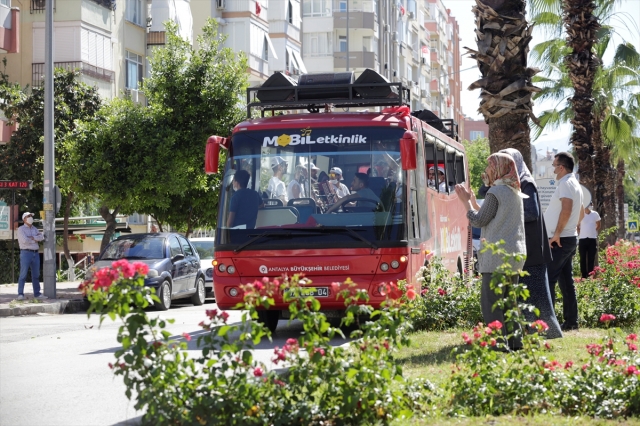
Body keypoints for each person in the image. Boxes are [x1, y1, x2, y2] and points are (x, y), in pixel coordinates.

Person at [455, 153, 527, 349]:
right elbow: (493, 216)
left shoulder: (495, 192)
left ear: (499, 168)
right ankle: (515, 342)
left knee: (492, 303)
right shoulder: (514, 191)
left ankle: (497, 344)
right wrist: (474, 202)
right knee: (509, 301)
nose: (486, 171)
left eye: (489, 167)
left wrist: (465, 202)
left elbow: (478, 221)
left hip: (497, 255)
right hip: (515, 253)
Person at [500, 148, 562, 339]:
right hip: (523, 248)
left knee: (537, 295)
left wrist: (508, 215)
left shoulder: (526, 183)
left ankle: (549, 332)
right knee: (527, 296)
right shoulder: (515, 184)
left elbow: (532, 212)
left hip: (533, 249)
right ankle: (533, 332)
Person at [543, 151, 584, 331]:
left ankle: (549, 324)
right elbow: (581, 211)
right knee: (566, 281)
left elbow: (566, 210)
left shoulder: (566, 184)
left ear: (561, 167)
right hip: (567, 237)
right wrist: (573, 229)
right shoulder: (573, 183)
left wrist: (558, 233)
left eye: (554, 166)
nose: (553, 170)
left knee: (549, 278)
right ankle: (571, 322)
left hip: (560, 239)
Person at [17, 212, 47, 300]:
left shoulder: (34, 228)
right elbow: (25, 240)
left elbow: (41, 237)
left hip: (35, 253)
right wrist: (35, 239)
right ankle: (20, 294)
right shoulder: (21, 229)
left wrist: (32, 237)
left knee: (36, 275)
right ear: (24, 219)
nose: (30, 218)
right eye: (28, 216)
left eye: (31, 216)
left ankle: (37, 294)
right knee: (23, 274)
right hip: (26, 253)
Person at [578, 202, 601, 279]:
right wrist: (580, 233)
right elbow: (577, 226)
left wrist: (594, 231)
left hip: (592, 239)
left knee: (591, 257)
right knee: (583, 257)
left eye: (591, 205)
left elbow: (598, 224)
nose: (590, 206)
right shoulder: (580, 214)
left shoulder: (595, 214)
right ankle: (584, 275)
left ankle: (590, 274)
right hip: (582, 239)